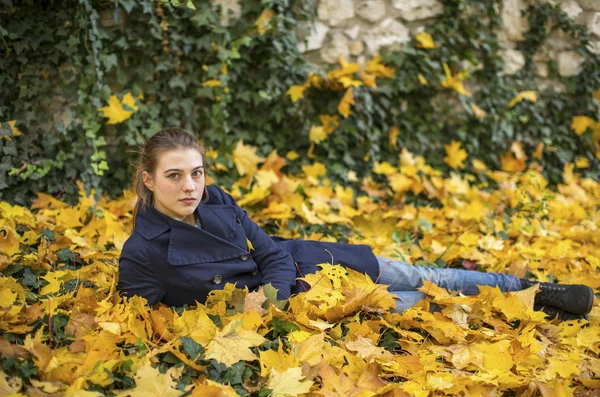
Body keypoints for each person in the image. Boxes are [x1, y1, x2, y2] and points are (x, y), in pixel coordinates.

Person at [117, 128, 595, 321]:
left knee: (426, 276)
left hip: (311, 264)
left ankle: (530, 287)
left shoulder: (218, 199)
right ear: (148, 180)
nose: (189, 187)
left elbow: (271, 253)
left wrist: (271, 292)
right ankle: (528, 310)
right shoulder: (143, 253)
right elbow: (147, 321)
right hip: (314, 302)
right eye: (174, 176)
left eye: (196, 173)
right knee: (422, 305)